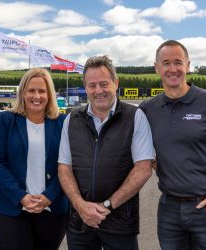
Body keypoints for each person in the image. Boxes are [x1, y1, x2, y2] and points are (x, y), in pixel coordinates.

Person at [139, 40, 206, 250]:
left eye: (178, 62)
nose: (173, 69)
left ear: (188, 65)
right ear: (157, 68)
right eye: (166, 63)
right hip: (169, 209)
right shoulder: (148, 109)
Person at [58, 55, 154, 250]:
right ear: (85, 87)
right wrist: (80, 205)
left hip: (120, 221)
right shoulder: (72, 119)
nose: (98, 91)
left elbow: (143, 169)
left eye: (104, 84)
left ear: (115, 83)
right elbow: (64, 168)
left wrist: (107, 206)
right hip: (80, 221)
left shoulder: (135, 117)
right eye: (92, 85)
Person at [0, 68, 69, 250]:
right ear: (23, 93)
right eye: (31, 90)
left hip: (52, 209)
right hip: (12, 209)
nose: (36, 96)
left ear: (49, 94)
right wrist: (21, 196)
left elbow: (68, 165)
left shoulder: (63, 123)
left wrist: (50, 196)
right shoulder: (6, 120)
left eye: (42, 91)